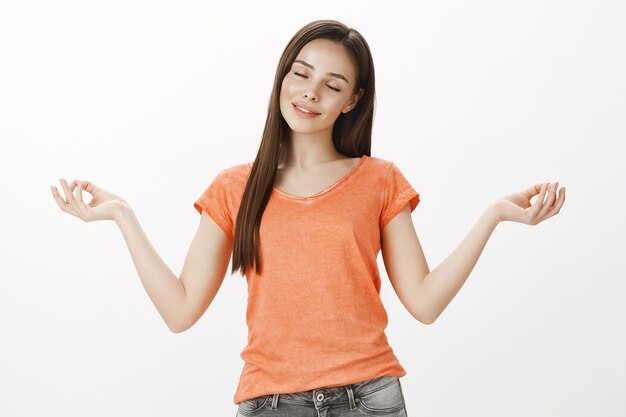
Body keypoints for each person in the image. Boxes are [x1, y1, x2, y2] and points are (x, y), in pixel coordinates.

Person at [50, 19, 566, 417]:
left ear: (352, 101)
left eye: (332, 84)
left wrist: (494, 216)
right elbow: (181, 311)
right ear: (283, 76)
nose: (310, 92)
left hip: (371, 397)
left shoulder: (379, 179)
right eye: (301, 73)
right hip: (269, 402)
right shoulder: (235, 186)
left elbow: (425, 303)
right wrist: (122, 216)